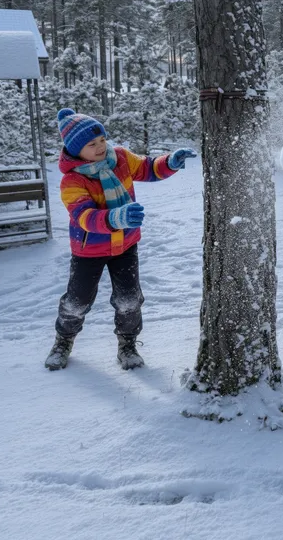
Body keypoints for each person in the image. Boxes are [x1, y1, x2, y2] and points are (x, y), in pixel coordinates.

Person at [44, 108, 197, 371]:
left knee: (129, 299)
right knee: (77, 301)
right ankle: (63, 340)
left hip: (125, 245)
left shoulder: (121, 158)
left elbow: (148, 168)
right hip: (88, 251)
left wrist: (170, 162)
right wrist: (116, 218)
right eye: (92, 144)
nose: (101, 146)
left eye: (102, 140)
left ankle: (127, 344)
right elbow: (84, 216)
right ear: (75, 150)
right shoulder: (73, 180)